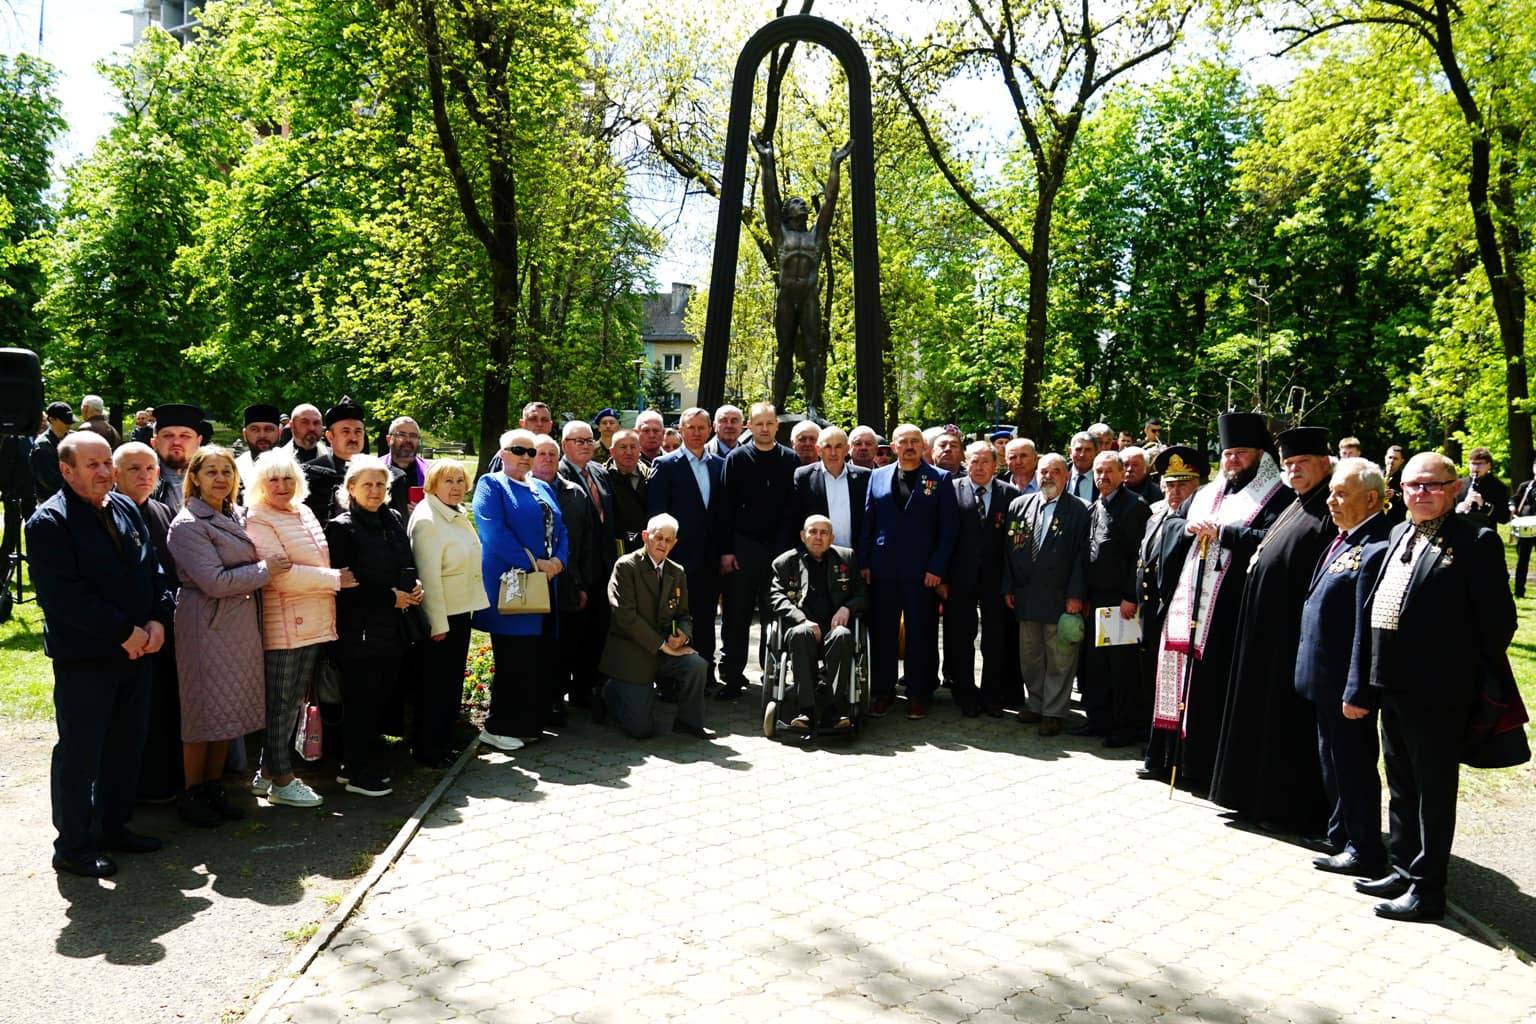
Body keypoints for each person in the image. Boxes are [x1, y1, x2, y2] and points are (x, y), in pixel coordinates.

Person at [1353, 452, 1516, 921]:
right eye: (1411, 486)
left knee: (1434, 789)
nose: (1421, 494)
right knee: (1401, 782)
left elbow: (1498, 623)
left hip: (1439, 690)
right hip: (1392, 681)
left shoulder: (1476, 541)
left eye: (1432, 485)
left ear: (1455, 487)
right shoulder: (1400, 532)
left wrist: (1454, 671)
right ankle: (1404, 867)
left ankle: (1428, 889)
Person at [27, 433, 173, 877]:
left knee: (125, 747)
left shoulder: (126, 507)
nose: (105, 472)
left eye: (108, 462)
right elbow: (64, 597)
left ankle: (112, 826)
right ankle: (73, 845)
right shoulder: (48, 522)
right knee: (80, 752)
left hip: (139, 651)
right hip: (87, 658)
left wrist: (157, 620)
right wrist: (122, 632)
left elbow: (153, 568)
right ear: (66, 470)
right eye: (92, 465)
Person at [1148, 412, 1292, 790]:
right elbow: (1173, 526)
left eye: (1241, 453)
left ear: (1261, 455)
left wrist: (1226, 533)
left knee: (1212, 689)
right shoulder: (1209, 492)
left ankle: (1202, 767)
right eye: (1228, 453)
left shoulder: (1278, 494)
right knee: (1180, 678)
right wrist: (1189, 529)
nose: (1232, 460)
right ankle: (1168, 758)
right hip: (1191, 599)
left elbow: (1272, 541)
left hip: (1230, 609)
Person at [1209, 426, 1338, 835]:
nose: (1295, 471)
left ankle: (1283, 807)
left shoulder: (1327, 511)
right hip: (1264, 634)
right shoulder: (1297, 503)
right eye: (1289, 465)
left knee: (1285, 726)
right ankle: (1252, 797)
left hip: (1291, 638)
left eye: (1302, 463)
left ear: (1325, 464)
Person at [1295, 458, 1393, 878]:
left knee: (1352, 766)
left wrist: (1358, 690)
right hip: (1324, 680)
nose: (1331, 501)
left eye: (1341, 494)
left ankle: (1364, 846)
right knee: (1332, 761)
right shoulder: (1346, 539)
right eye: (1332, 492)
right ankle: (1343, 836)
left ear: (1371, 499)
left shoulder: (1374, 548)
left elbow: (1363, 630)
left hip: (1345, 687)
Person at [166, 445, 273, 826]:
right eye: (211, 472)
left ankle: (214, 787)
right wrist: (265, 570)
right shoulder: (188, 524)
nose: (220, 479)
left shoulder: (237, 515)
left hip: (238, 623)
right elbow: (213, 581)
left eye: (226, 472)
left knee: (226, 710)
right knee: (202, 711)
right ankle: (192, 793)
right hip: (206, 622)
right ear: (194, 477)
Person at [244, 449, 350, 808]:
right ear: (260, 483)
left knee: (293, 702)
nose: (281, 485)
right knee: (280, 703)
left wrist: (326, 581)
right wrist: (335, 580)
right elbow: (281, 576)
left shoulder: (302, 511)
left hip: (312, 619)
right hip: (284, 622)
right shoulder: (258, 516)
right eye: (273, 479)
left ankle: (268, 773)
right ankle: (284, 779)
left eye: (288, 478)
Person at [327, 456, 424, 796]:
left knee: (380, 698)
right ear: (350, 488)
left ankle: (355, 764)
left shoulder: (393, 518)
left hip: (394, 627)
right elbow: (345, 585)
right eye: (367, 484)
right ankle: (355, 772)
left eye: (381, 484)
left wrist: (414, 587)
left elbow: (406, 562)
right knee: (361, 700)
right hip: (361, 629)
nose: (375, 490)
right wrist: (389, 597)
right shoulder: (341, 527)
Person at [472, 429, 568, 749]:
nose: (526, 457)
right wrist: (534, 563)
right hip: (511, 585)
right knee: (514, 658)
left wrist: (559, 561)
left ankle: (528, 724)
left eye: (531, 451)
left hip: (545, 584)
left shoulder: (541, 486)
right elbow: (493, 532)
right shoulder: (491, 485)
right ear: (503, 452)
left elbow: (561, 529)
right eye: (518, 450)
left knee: (536, 658)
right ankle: (499, 726)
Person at [859, 422, 958, 719]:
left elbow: (948, 529)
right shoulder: (877, 477)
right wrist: (864, 562)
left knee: (920, 635)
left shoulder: (939, 479)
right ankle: (883, 692)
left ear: (923, 447)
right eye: (904, 441)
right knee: (883, 635)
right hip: (883, 570)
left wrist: (937, 568)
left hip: (922, 574)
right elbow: (868, 521)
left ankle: (917, 693)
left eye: (915, 441)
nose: (910, 446)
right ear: (893, 445)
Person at [595, 513, 713, 740]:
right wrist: (662, 645)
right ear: (645, 536)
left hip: (663, 650)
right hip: (632, 651)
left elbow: (684, 615)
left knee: (697, 665)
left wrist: (682, 637)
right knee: (641, 730)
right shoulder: (626, 566)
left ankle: (689, 722)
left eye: (669, 540)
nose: (663, 544)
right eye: (658, 537)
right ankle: (610, 691)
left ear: (675, 543)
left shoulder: (676, 571)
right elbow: (625, 617)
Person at [112, 442, 183, 803]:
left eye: (149, 470)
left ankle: (163, 784)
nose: (143, 476)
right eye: (133, 469)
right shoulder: (107, 513)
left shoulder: (161, 511)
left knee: (164, 708)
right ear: (115, 474)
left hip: (162, 626)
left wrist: (161, 618)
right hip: (123, 635)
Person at [1002, 453, 1090, 736]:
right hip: (1026, 596)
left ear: (1066, 476)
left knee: (1060, 657)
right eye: (1044, 471)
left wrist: (1076, 594)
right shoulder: (1019, 505)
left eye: (1055, 471)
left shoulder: (1079, 510)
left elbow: (1082, 557)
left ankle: (1054, 711)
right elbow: (1007, 551)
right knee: (1031, 656)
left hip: (1061, 597)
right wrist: (1008, 586)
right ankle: (1036, 704)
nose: (1048, 476)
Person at [408, 459, 488, 767]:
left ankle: (442, 745)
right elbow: (428, 579)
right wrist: (437, 624)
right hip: (442, 619)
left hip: (459, 612)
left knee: (450, 683)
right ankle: (429, 751)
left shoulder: (454, 514)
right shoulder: (428, 519)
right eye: (448, 481)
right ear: (432, 485)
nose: (455, 487)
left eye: (459, 480)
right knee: (435, 686)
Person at [717, 402, 799, 701]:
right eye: (758, 424)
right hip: (742, 549)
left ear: (777, 425)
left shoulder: (790, 460)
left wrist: (787, 553)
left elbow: (792, 510)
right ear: (748, 427)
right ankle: (732, 676)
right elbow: (723, 509)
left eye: (769, 423)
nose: (764, 429)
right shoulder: (737, 459)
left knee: (774, 616)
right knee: (736, 616)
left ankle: (773, 674)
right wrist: (726, 551)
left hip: (779, 550)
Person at [1134, 446, 1203, 780]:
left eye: (1183, 484)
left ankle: (1172, 755)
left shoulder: (1197, 521)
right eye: (1169, 484)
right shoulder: (1156, 513)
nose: (1175, 491)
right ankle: (1154, 747)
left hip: (1180, 613)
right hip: (1152, 611)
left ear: (1198, 485)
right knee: (1150, 680)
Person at [1077, 450, 1151, 745]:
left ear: (1122, 474)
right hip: (1095, 599)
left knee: (1121, 668)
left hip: (1121, 602)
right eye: (1098, 472)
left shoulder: (1134, 506)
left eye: (1109, 471)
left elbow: (1138, 557)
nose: (1102, 477)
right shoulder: (1096, 506)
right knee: (1096, 665)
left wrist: (1129, 596)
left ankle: (1124, 727)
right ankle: (1098, 720)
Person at [647, 413, 723, 690]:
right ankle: (670, 679)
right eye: (690, 427)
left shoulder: (719, 465)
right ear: (680, 430)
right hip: (675, 557)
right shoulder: (665, 465)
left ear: (710, 430)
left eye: (702, 428)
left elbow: (722, 514)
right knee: (671, 616)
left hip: (709, 558)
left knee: (705, 617)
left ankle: (706, 673)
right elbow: (656, 512)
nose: (696, 432)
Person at [769, 515, 867, 731]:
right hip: (803, 629)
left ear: (832, 538)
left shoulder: (846, 558)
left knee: (843, 635)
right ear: (803, 536)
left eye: (824, 533)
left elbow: (862, 594)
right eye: (813, 532)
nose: (818, 537)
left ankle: (833, 710)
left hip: (834, 630)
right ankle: (806, 711)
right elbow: (776, 598)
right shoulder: (785, 562)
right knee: (799, 633)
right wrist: (801, 619)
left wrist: (847, 607)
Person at [943, 442, 1020, 717]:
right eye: (974, 461)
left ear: (996, 464)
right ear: (966, 462)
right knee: (961, 636)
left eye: (985, 462)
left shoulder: (1010, 495)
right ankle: (965, 693)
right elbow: (943, 537)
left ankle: (991, 694)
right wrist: (941, 577)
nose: (978, 467)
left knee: (994, 639)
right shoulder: (951, 490)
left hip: (995, 579)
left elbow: (1014, 545)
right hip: (959, 578)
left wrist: (1011, 582)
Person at [559, 419, 617, 709]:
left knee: (598, 633)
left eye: (588, 440)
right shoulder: (558, 475)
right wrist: (576, 578)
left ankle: (589, 689)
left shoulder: (599, 472)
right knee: (574, 636)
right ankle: (571, 695)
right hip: (577, 570)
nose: (585, 445)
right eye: (577, 441)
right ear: (564, 445)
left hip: (604, 569)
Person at [535, 433, 591, 723]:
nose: (546, 459)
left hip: (568, 581)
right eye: (540, 454)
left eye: (551, 455)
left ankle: (557, 699)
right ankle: (537, 702)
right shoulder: (521, 490)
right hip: (533, 583)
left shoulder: (574, 493)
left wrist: (581, 583)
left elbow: (583, 544)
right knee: (538, 645)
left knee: (564, 645)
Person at [788, 426, 869, 551]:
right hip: (818, 557)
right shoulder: (804, 477)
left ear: (847, 449)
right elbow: (795, 520)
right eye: (827, 447)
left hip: (855, 557)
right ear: (819, 450)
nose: (833, 453)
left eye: (838, 446)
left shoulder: (864, 477)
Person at [148, 403, 204, 513]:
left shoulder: (215, 480)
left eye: (185, 436)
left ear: (199, 442)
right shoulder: (139, 481)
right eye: (168, 435)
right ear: (154, 442)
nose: (176, 442)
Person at [606, 428, 650, 554]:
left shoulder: (652, 475)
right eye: (623, 447)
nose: (629, 452)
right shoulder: (602, 479)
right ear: (612, 451)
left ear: (640, 450)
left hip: (647, 548)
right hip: (616, 549)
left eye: (633, 447)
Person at [234, 404, 282, 499]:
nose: (262, 435)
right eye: (254, 429)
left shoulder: (294, 465)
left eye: (268, 429)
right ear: (245, 434)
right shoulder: (235, 468)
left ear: (279, 433)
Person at [1455, 446, 1510, 529]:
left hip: (1486, 534)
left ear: (1489, 465)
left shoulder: (1498, 487)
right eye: (1473, 463)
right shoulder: (1458, 484)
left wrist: (1483, 505)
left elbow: (1504, 518)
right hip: (1460, 532)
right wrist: (1457, 509)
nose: (1476, 467)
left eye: (1480, 464)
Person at [386, 416, 430, 510]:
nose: (408, 440)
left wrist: (424, 510)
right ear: (389, 439)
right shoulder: (375, 469)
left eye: (413, 436)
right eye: (401, 435)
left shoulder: (430, 472)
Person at [30, 401, 73, 498]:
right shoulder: (42, 446)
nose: (69, 423)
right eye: (64, 420)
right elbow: (51, 482)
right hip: (52, 499)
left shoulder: (73, 438)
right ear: (51, 420)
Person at [1510, 456, 1536, 597]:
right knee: (1522, 560)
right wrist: (1512, 506)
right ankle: (1519, 591)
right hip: (1526, 527)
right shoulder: (1526, 486)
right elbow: (1514, 498)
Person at [1066, 432, 1096, 501]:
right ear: (1070, 452)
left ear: (1095, 452)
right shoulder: (1060, 474)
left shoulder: (1102, 477)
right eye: (1078, 449)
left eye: (1088, 450)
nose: (1082, 454)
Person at [1381, 445, 1407, 526]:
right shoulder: (1376, 475)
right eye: (1390, 457)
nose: (1391, 461)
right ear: (1385, 458)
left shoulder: (1405, 478)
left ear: (1402, 461)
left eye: (1395, 459)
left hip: (1394, 522)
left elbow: (1407, 500)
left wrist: (1395, 494)